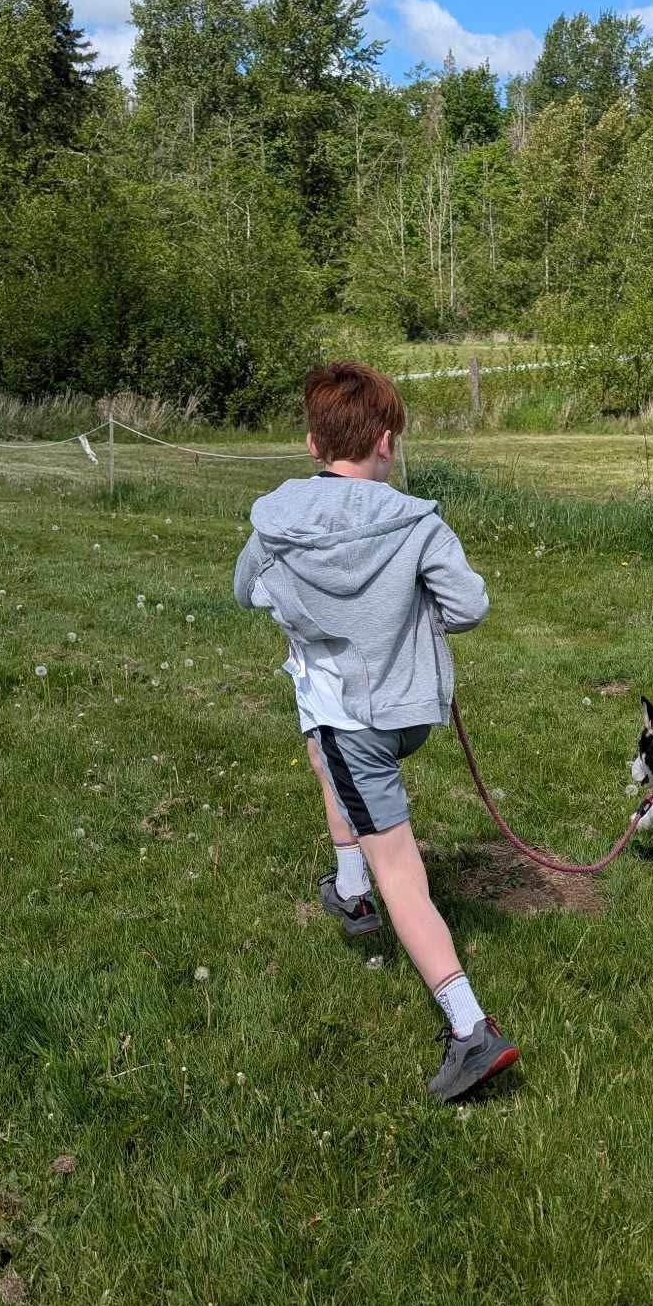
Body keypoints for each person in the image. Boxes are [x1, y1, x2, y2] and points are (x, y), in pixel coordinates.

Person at [234, 360, 519, 1102]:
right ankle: (350, 887)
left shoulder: (276, 518)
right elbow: (469, 605)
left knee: (401, 865)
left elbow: (246, 590)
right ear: (386, 442)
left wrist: (308, 615)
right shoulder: (418, 521)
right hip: (410, 716)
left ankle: (469, 1029)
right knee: (321, 750)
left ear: (311, 443)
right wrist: (410, 619)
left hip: (355, 723)